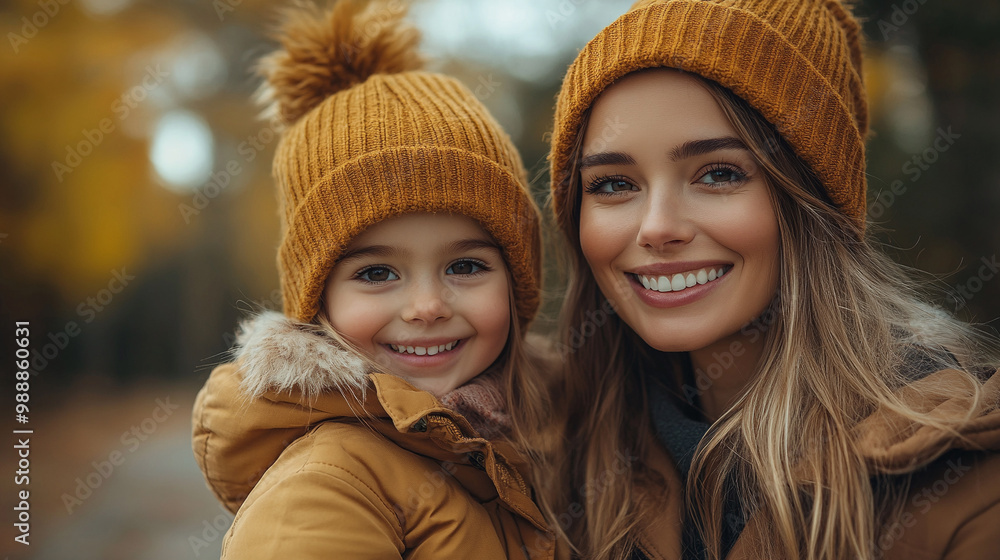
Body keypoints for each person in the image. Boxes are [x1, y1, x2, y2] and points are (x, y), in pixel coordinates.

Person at [538, 1, 1000, 559]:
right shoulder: (547, 457)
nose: (657, 227)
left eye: (719, 173)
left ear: (812, 203)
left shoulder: (966, 479)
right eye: (613, 184)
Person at [191, 1, 561, 558]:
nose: (427, 306)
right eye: (377, 272)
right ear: (318, 301)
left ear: (516, 282)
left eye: (465, 266)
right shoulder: (327, 489)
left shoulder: (552, 438)